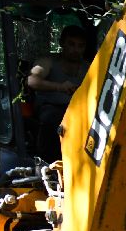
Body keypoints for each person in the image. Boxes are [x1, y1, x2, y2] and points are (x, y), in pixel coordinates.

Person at [27, 24, 91, 160]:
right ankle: (47, 161)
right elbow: (33, 81)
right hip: (50, 109)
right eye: (71, 44)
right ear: (62, 43)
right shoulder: (47, 62)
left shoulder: (89, 67)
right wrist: (60, 87)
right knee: (53, 118)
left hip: (80, 110)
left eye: (80, 46)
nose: (76, 50)